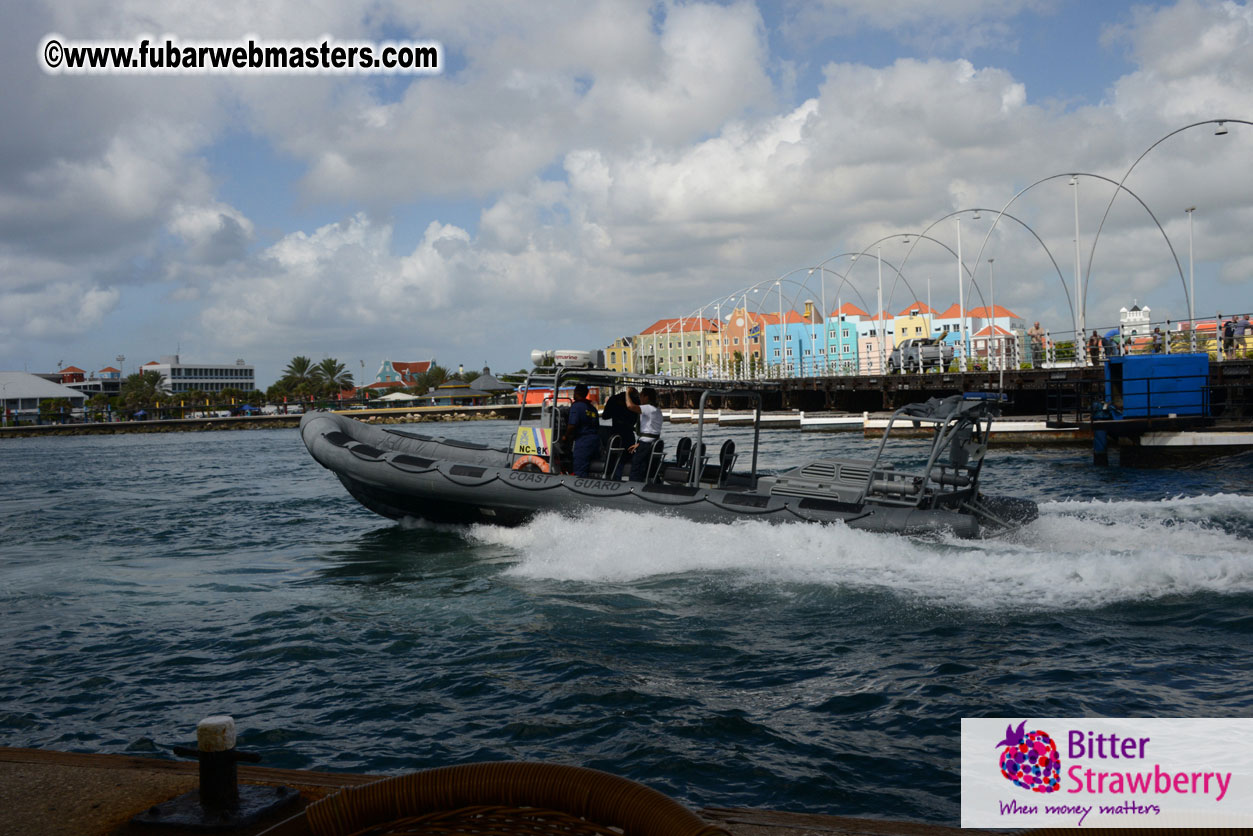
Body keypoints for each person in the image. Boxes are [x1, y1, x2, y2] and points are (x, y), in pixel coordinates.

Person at [624, 386, 662, 482]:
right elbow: (652, 431)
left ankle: (634, 486)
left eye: (641, 396)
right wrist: (640, 443)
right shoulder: (657, 410)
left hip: (646, 445)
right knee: (648, 467)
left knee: (636, 468)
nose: (639, 398)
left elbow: (630, 406)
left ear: (646, 397)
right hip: (651, 443)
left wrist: (627, 392)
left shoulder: (648, 408)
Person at [598, 387, 637, 478]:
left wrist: (615, 412)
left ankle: (615, 479)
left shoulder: (613, 399)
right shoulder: (635, 400)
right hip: (629, 434)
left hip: (617, 434)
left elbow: (605, 416)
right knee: (628, 457)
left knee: (615, 458)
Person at [564, 383, 600, 477]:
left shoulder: (576, 406)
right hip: (595, 441)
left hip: (583, 441)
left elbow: (572, 425)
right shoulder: (592, 408)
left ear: (576, 392)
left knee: (580, 469)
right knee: (593, 469)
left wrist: (565, 436)